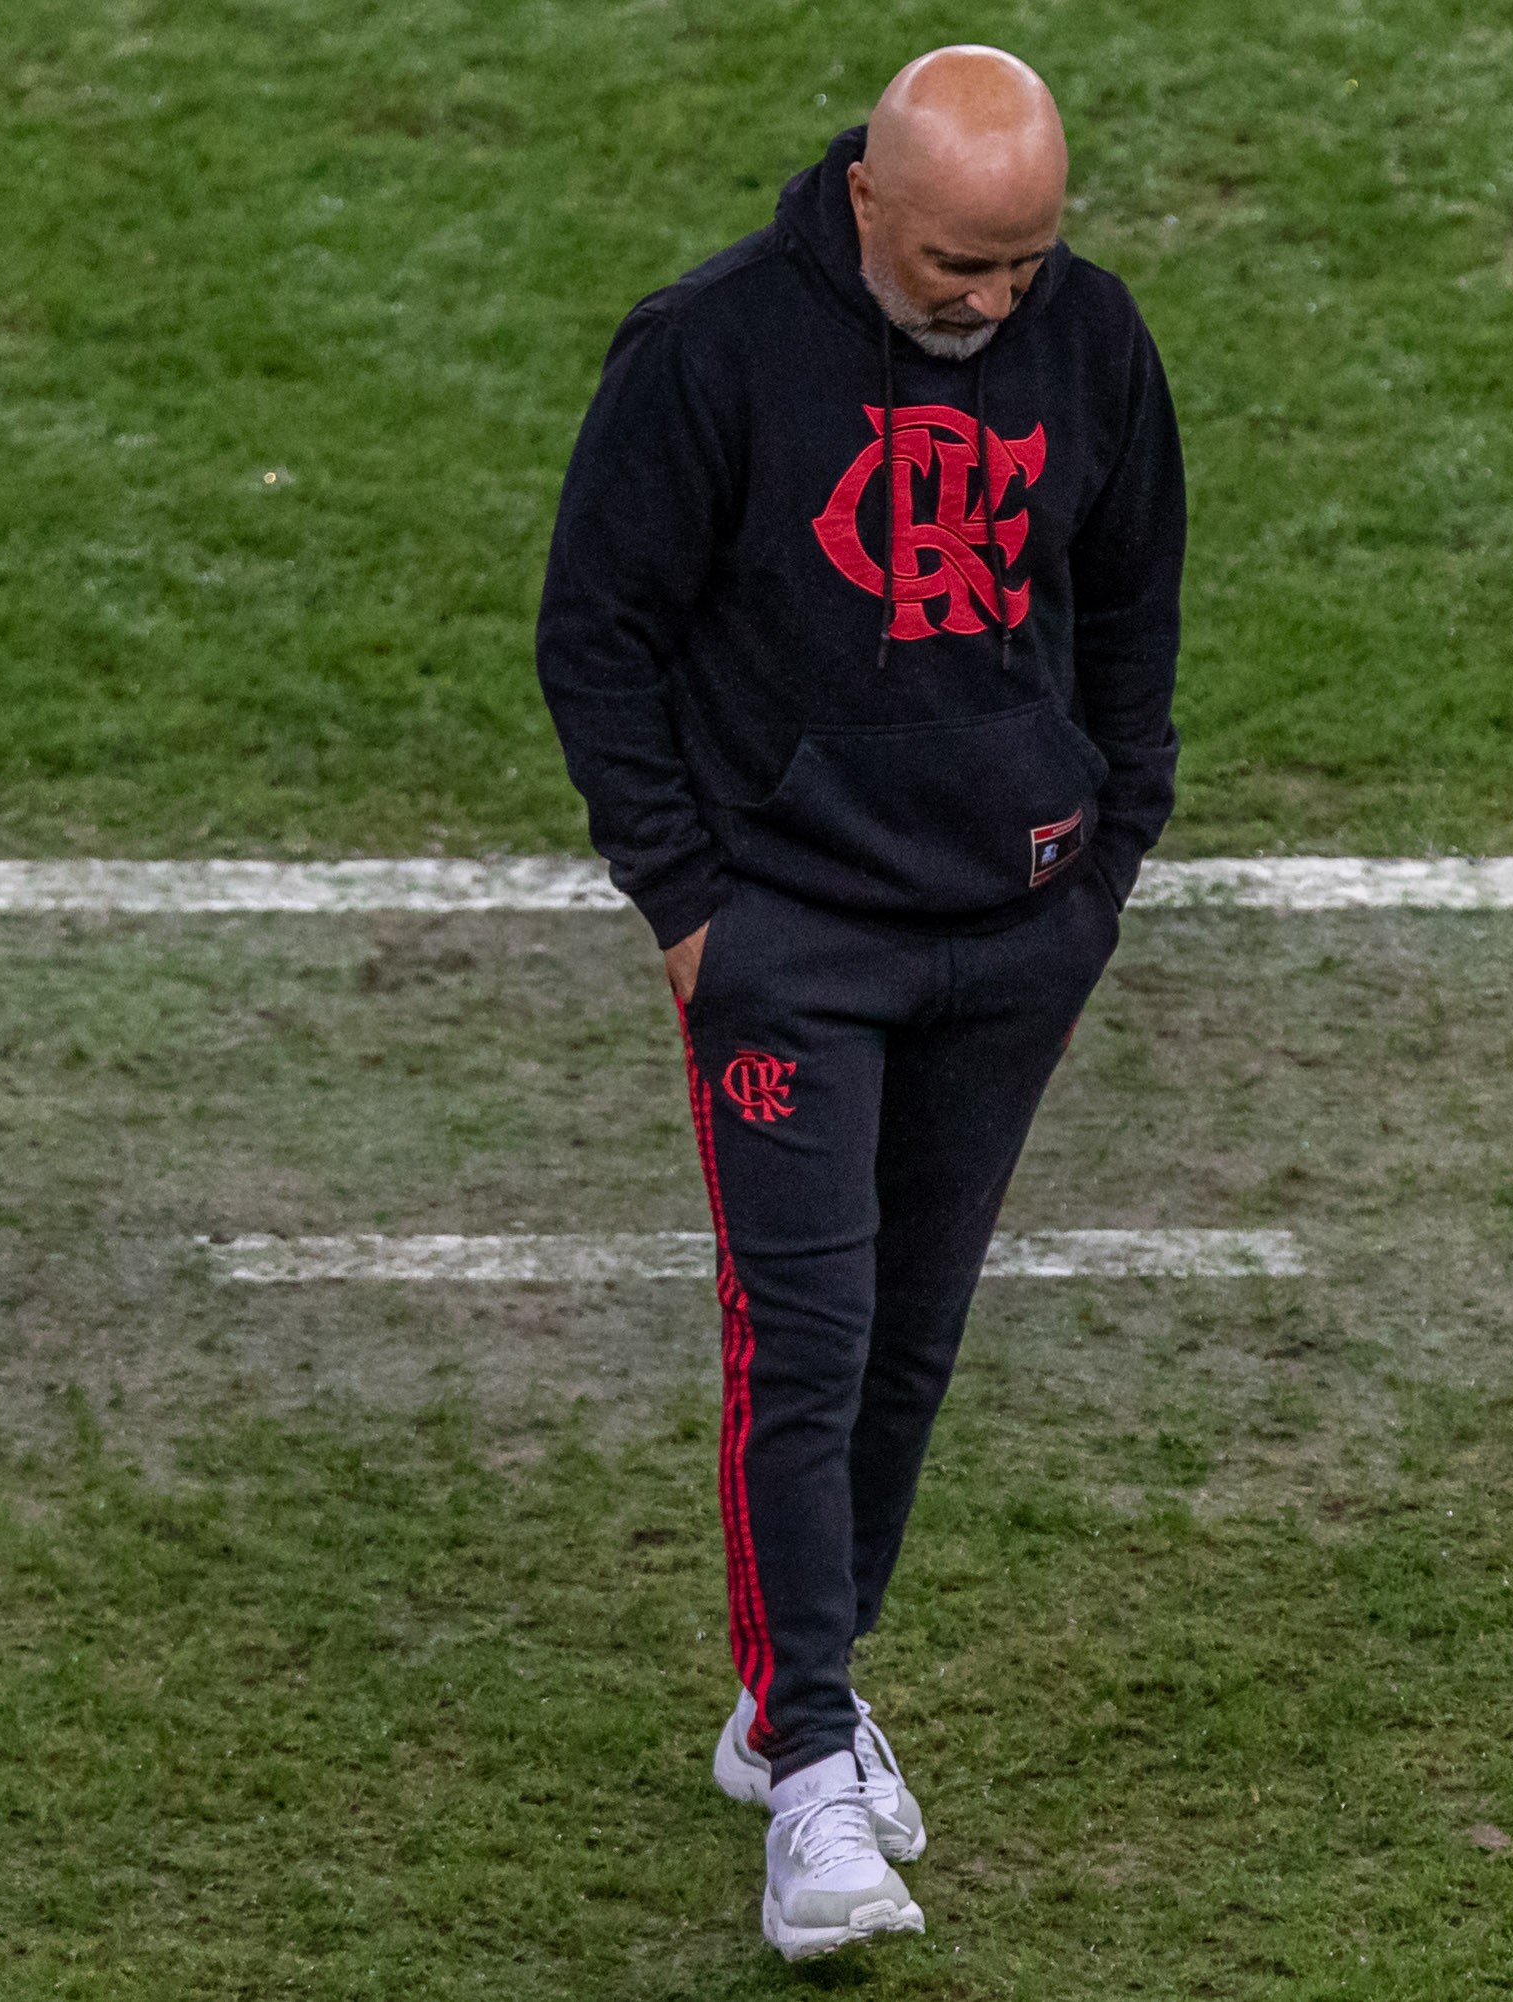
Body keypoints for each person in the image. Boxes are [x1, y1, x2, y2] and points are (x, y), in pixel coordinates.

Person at [534, 44, 1184, 1960]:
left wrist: (1105, 864)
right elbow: (597, 634)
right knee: (807, 1342)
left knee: (909, 1341)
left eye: (1025, 262)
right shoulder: (712, 350)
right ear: (869, 200)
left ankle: (787, 1704)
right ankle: (813, 1771)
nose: (993, 301)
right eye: (960, 264)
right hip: (792, 946)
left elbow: (1134, 611)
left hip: (1017, 930)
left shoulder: (1093, 339)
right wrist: (692, 912)